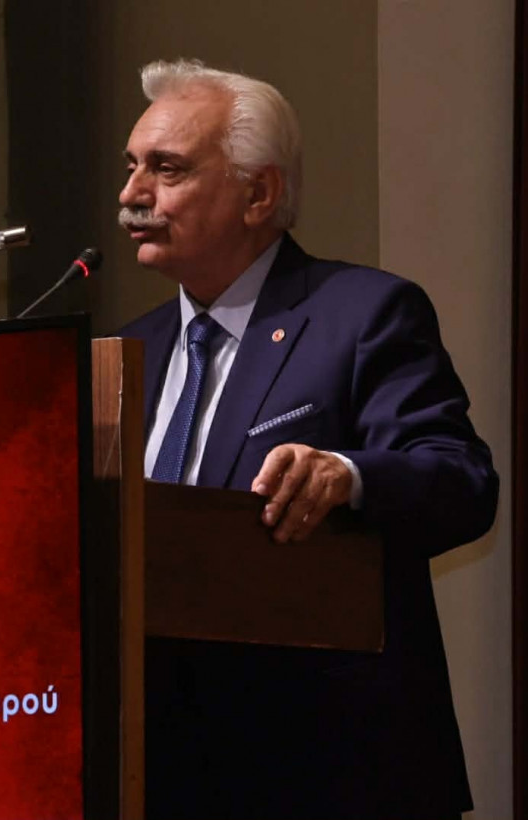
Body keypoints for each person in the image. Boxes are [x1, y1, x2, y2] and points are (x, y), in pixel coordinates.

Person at [118, 59, 498, 820]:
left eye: (167, 169)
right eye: (131, 167)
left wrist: (347, 475)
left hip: (331, 769)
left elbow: (461, 484)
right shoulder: (130, 350)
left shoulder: (363, 313)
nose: (132, 195)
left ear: (259, 194)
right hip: (160, 772)